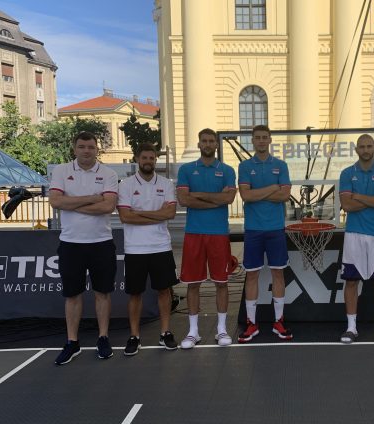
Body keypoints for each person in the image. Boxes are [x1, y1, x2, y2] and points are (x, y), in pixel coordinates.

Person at [49, 132, 118, 365]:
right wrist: (91, 198)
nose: (86, 151)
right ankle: (72, 342)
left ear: (97, 149)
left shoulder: (108, 174)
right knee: (72, 295)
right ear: (74, 148)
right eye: (82, 146)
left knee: (102, 293)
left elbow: (108, 206)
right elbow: (55, 201)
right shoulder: (61, 171)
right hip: (71, 243)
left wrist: (72, 204)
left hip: (101, 242)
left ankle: (103, 338)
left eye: (90, 147)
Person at [177, 128, 237, 348]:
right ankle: (193, 332)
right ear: (199, 143)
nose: (208, 144)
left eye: (212, 141)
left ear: (216, 144)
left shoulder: (227, 170)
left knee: (221, 282)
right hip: (194, 233)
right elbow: (184, 200)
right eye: (204, 141)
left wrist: (198, 195)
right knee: (193, 283)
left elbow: (228, 199)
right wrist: (215, 200)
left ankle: (221, 330)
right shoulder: (186, 169)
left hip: (218, 233)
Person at [117, 142, 179, 355]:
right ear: (137, 159)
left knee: (164, 291)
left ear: (155, 160)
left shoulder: (166, 184)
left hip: (161, 246)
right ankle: (134, 336)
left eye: (151, 158)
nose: (148, 161)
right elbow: (126, 217)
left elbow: (170, 214)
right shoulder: (125, 185)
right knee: (135, 294)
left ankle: (165, 333)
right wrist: (157, 214)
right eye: (144, 158)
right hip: (135, 249)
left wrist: (139, 212)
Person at [339, 134, 374, 345]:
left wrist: (358, 196)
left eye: (369, 146)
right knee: (351, 281)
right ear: (357, 150)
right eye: (362, 147)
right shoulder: (347, 173)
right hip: (354, 233)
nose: (365, 150)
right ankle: (351, 328)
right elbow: (347, 206)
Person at [237, 124, 293, 343]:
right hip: (253, 229)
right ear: (253, 140)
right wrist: (272, 188)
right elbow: (246, 196)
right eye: (257, 137)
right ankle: (252, 323)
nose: (261, 141)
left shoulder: (281, 165)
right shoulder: (244, 166)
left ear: (270, 140)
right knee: (252, 275)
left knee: (278, 274)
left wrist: (257, 192)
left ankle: (279, 321)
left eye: (264, 137)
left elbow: (285, 195)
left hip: (275, 228)